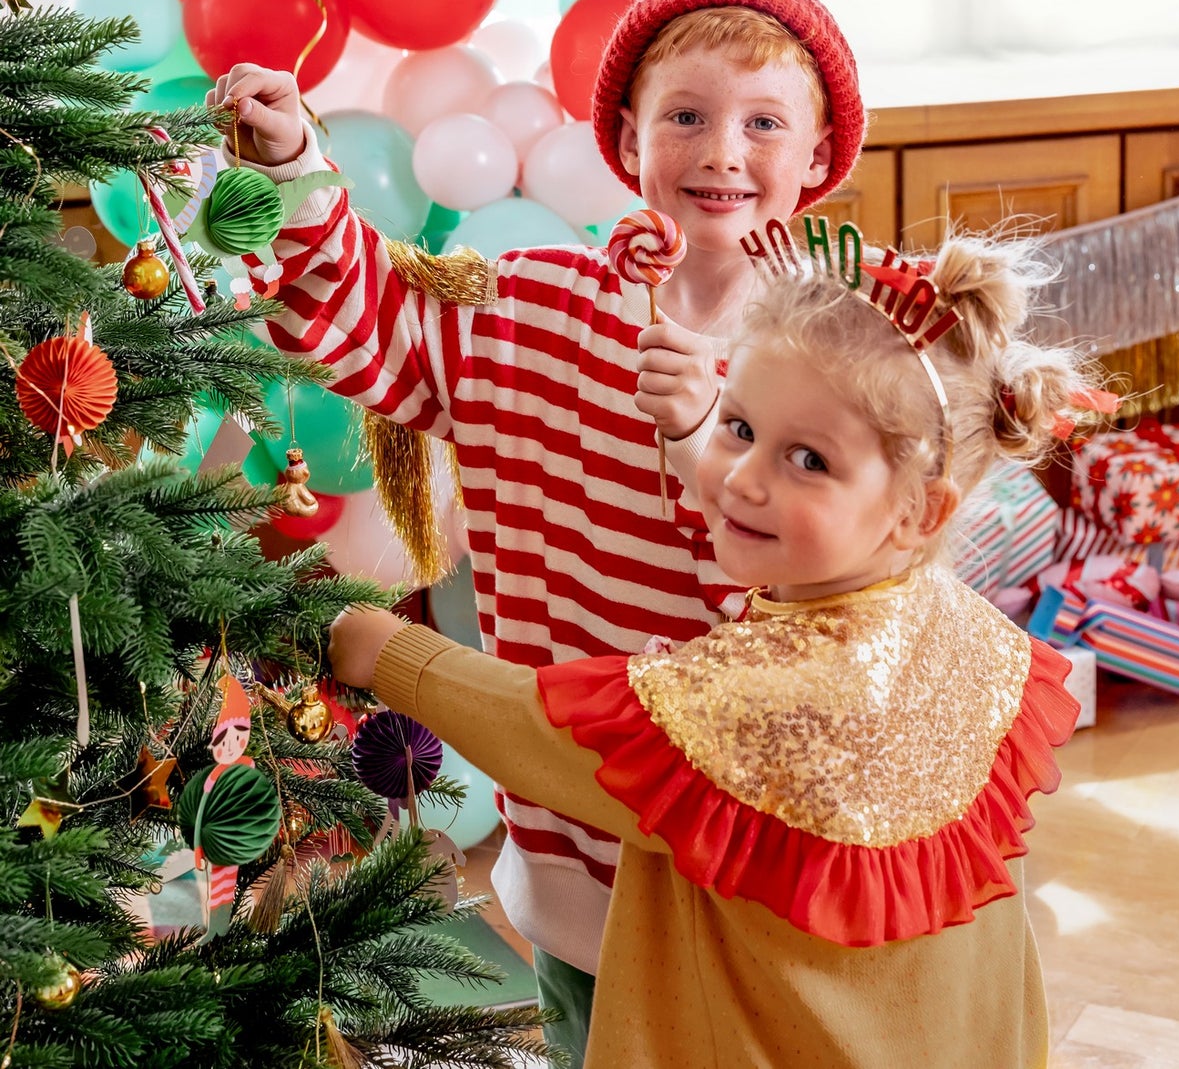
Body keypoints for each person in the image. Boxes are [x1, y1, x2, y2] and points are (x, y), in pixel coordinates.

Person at [209, 0, 865, 1064]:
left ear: (814, 159)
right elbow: (361, 324)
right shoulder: (530, 304)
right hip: (570, 867)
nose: (720, 153)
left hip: (756, 871)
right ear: (626, 134)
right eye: (686, 117)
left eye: (762, 124)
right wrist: (290, 164)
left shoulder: (839, 347)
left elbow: (853, 584)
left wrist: (714, 432)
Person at [329, 228, 1093, 1069]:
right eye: (738, 425)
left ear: (920, 511)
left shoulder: (780, 688)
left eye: (809, 459)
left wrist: (390, 651)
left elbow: (551, 729)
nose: (743, 478)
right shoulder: (970, 632)